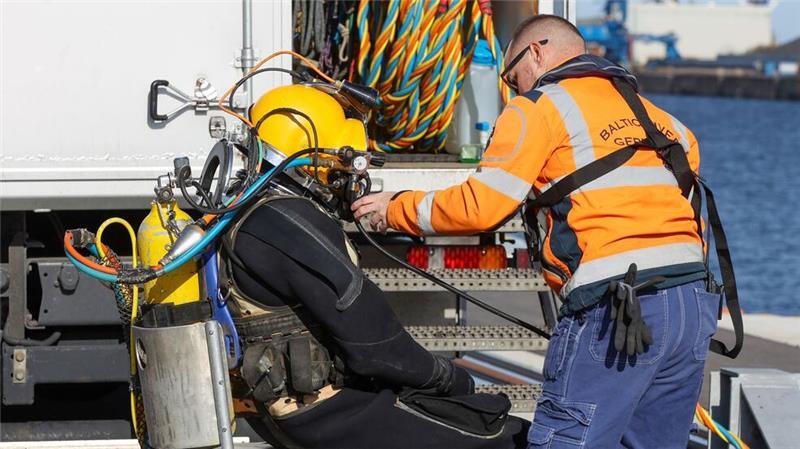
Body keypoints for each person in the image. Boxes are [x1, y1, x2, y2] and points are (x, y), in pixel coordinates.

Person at [352, 14, 724, 449]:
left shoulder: (538, 107)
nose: (513, 90)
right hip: (691, 304)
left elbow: (481, 206)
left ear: (536, 53)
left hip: (618, 309)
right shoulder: (664, 120)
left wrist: (394, 210)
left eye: (511, 78)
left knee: (565, 440)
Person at [221, 83, 529, 449]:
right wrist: (450, 379)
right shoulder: (290, 223)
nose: (348, 175)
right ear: (313, 157)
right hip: (331, 411)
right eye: (341, 160)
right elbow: (376, 345)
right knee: (506, 436)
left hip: (304, 409)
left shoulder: (256, 212)